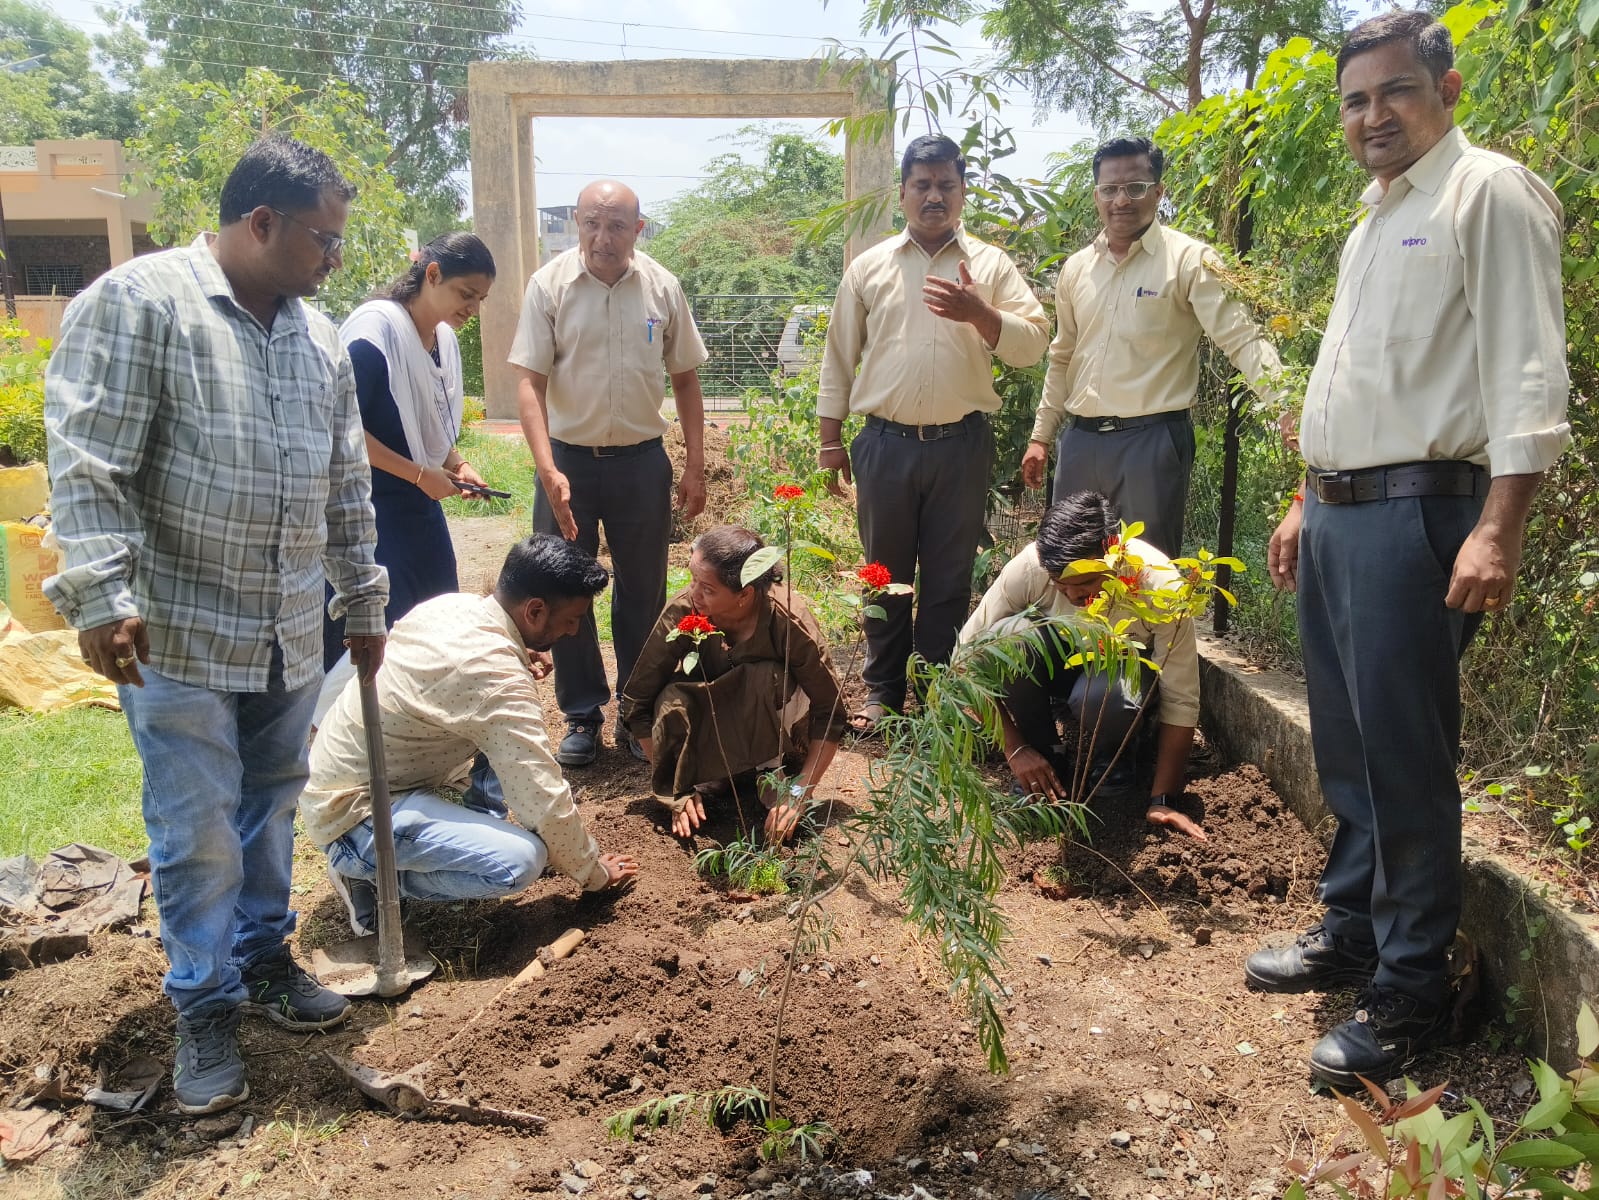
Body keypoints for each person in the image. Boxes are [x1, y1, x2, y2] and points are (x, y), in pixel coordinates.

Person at [1250, 11, 1570, 1089]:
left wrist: (1499, 527)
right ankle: (1353, 929)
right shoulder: (1376, 217)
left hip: (1420, 516)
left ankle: (1412, 990)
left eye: (1394, 90)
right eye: (1354, 100)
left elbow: (1528, 370)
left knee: (1403, 757)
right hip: (1340, 514)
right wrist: (1306, 498)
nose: (1372, 115)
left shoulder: (1487, 194)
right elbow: (1354, 380)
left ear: (1448, 88)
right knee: (1348, 745)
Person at [42, 135, 389, 1116]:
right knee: (195, 830)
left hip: (287, 626)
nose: (335, 259)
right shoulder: (141, 302)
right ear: (262, 222)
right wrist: (101, 597)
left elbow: (345, 485)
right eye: (323, 239)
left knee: (270, 805)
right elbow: (88, 461)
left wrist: (362, 600)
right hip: (178, 629)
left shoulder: (319, 340)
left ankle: (262, 956)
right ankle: (202, 1005)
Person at [818, 134, 1050, 734]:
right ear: (902, 193)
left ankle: (935, 690)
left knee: (949, 576)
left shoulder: (991, 266)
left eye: (946, 184)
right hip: (885, 446)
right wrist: (829, 439)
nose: (934, 196)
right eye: (921, 185)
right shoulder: (869, 267)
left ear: (963, 191)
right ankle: (883, 690)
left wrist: (981, 313)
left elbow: (1034, 343)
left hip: (961, 447)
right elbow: (839, 356)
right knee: (884, 573)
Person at [305, 536, 639, 933]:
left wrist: (518, 652)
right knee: (521, 862)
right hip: (354, 812)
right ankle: (370, 876)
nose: (572, 631)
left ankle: (465, 830)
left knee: (506, 728)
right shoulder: (495, 678)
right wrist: (592, 871)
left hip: (351, 774)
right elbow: (542, 797)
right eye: (570, 619)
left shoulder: (452, 607)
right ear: (534, 610)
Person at [510, 180, 709, 768]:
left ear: (637, 229)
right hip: (567, 463)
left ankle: (635, 708)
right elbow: (529, 382)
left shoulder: (661, 288)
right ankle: (581, 713)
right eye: (592, 224)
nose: (603, 238)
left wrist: (695, 465)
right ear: (576, 222)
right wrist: (547, 468)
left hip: (641, 463)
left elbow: (686, 379)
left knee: (643, 590)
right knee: (563, 588)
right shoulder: (549, 286)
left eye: (617, 225)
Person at [1020, 135, 1286, 556]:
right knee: (1068, 565)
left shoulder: (1190, 261)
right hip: (1081, 443)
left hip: (1152, 442)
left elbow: (1242, 338)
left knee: (1145, 571)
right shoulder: (1076, 269)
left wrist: (1288, 406)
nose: (1121, 200)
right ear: (1097, 194)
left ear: (1158, 192)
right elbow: (1062, 357)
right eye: (1110, 189)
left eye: (1136, 187)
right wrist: (1041, 437)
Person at [958, 493, 1205, 840]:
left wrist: (1163, 799)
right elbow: (964, 661)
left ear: (1113, 555)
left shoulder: (1158, 584)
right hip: (1060, 667)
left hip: (1117, 681)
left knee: (1105, 695)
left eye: (1086, 583)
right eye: (1061, 586)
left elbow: (1181, 698)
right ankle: (1045, 756)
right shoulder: (1030, 568)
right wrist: (1016, 749)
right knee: (1006, 641)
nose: (1074, 596)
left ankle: (1115, 757)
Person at [322, 232, 496, 672]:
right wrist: (418, 474)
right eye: (466, 294)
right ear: (432, 274)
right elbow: (341, 429)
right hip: (370, 515)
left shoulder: (442, 340)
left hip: (421, 510)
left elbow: (426, 427)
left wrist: (457, 464)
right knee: (379, 649)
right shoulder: (373, 333)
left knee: (438, 629)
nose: (473, 309)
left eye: (480, 299)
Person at [620, 526, 846, 843]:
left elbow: (830, 711)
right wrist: (673, 788)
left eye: (708, 589)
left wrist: (798, 793)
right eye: (693, 579)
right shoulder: (685, 611)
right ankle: (715, 771)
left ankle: (769, 769)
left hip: (775, 712)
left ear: (744, 595)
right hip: (714, 715)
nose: (694, 593)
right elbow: (637, 701)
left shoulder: (786, 619)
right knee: (670, 697)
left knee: (768, 677)